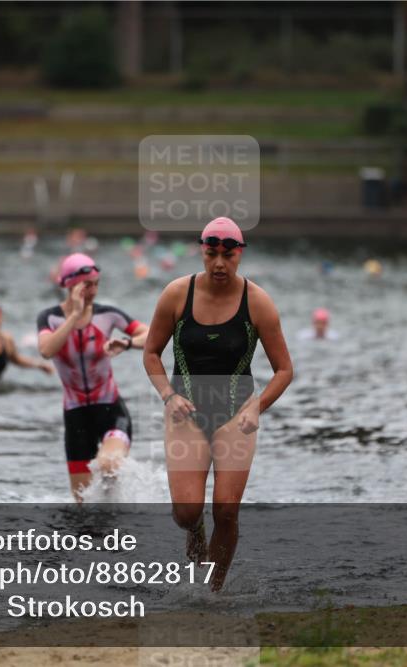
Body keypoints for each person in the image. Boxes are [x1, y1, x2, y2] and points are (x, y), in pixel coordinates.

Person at [142, 217, 293, 591]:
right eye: (212, 254)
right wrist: (168, 395)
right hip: (185, 414)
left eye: (228, 255)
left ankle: (212, 591)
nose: (220, 264)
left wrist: (257, 406)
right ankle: (193, 532)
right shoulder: (177, 294)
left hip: (235, 415)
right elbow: (150, 354)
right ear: (202, 252)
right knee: (187, 511)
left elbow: (284, 370)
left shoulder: (258, 303)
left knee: (226, 509)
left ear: (240, 254)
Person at [37, 253, 149, 502]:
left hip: (111, 412)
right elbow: (46, 350)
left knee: (108, 465)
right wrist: (75, 316)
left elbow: (152, 335)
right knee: (83, 506)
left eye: (96, 283)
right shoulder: (50, 318)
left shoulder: (107, 314)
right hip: (76, 418)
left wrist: (128, 343)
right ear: (69, 285)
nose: (93, 290)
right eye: (87, 284)